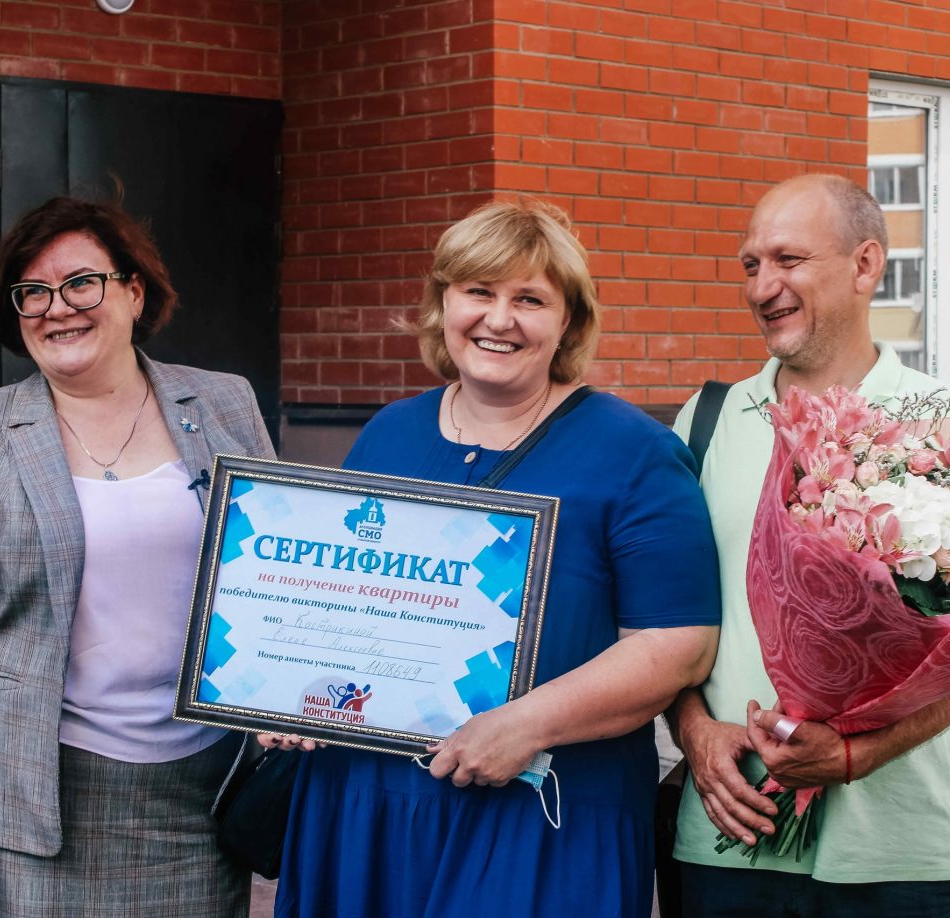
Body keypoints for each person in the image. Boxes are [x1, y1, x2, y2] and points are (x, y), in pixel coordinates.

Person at [269, 199, 722, 917]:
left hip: (541, 814)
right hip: (368, 803)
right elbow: (342, 603)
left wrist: (528, 725)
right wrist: (293, 687)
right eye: (478, 291)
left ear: (569, 321)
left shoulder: (634, 453)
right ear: (443, 304)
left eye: (530, 300)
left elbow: (678, 646)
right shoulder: (389, 434)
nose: (499, 319)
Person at [0, 196, 274, 918]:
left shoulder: (225, 404)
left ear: (134, 292)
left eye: (80, 283)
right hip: (37, 802)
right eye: (32, 292)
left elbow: (274, 576)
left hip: (201, 795)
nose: (57, 308)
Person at [668, 174, 950, 918]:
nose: (763, 287)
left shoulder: (948, 418)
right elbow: (662, 616)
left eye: (788, 260)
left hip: (899, 849)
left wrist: (857, 755)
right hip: (731, 832)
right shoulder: (707, 419)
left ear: (866, 265)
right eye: (751, 265)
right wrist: (693, 732)